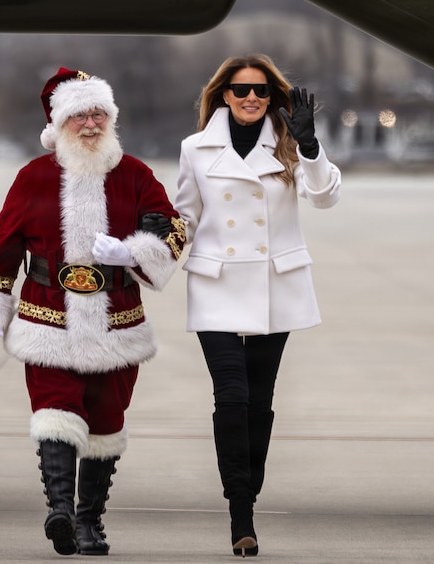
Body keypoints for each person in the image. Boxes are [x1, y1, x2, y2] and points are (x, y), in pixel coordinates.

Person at [0, 67, 186, 557]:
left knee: (106, 423)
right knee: (55, 413)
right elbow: (2, 247)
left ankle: (89, 523)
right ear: (57, 124)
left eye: (98, 113)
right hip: (48, 318)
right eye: (79, 114)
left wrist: (134, 253)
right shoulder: (33, 178)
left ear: (110, 119)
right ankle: (60, 509)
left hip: (117, 322)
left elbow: (172, 228)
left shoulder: (135, 174)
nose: (90, 123)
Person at [174, 54, 341, 557]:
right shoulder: (195, 149)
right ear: (223, 94)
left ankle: (248, 492)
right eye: (242, 89)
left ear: (273, 96)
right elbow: (185, 213)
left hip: (275, 283)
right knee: (232, 396)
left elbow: (326, 198)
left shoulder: (292, 143)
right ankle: (240, 512)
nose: (252, 98)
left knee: (260, 402)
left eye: (262, 91)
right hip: (217, 282)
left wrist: (310, 148)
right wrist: (154, 241)